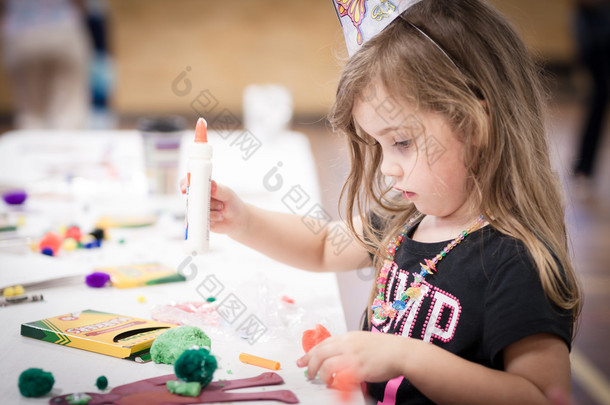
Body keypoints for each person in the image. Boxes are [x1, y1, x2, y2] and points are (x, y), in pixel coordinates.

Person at [182, 0, 582, 403]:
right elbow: (324, 246)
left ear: (475, 125)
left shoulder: (517, 260)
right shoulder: (409, 218)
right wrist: (241, 219)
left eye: (402, 142)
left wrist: (408, 357)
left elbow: (542, 397)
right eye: (379, 145)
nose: (387, 168)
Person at [572, 0, 610, 178]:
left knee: (600, 96)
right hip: (594, 31)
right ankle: (583, 167)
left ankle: (583, 167)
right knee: (599, 95)